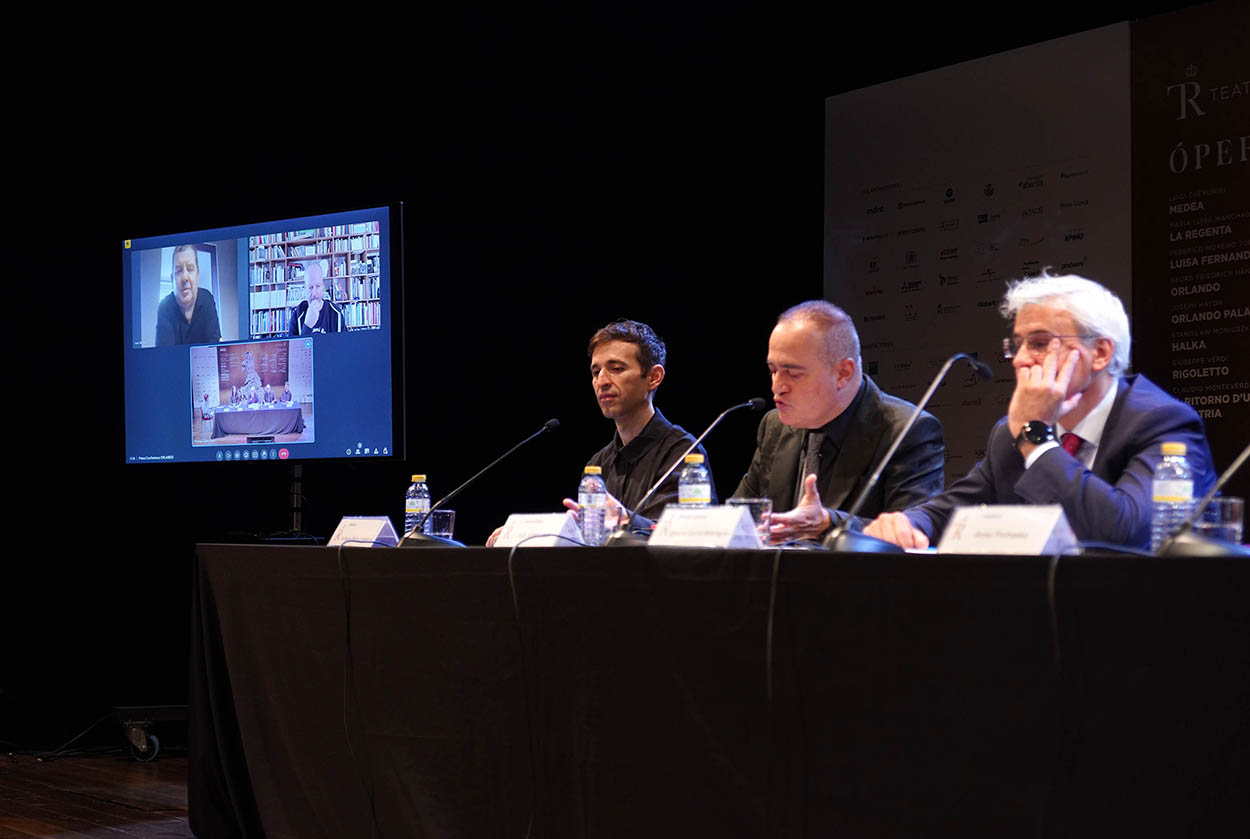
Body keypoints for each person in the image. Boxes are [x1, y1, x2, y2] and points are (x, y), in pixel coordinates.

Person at [863, 272, 1215, 550]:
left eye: (1041, 344)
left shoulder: (1162, 423)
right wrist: (909, 524)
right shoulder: (1010, 433)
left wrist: (1037, 439)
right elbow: (953, 509)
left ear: (1101, 353)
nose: (1019, 359)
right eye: (1017, 345)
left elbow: (1127, 534)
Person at [732, 300, 946, 544]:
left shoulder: (907, 430)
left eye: (793, 374)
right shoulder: (774, 426)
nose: (777, 386)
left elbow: (909, 534)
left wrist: (826, 523)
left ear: (843, 373)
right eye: (773, 370)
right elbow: (742, 516)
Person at [486, 319, 713, 545]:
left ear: (653, 377)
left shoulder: (683, 453)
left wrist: (626, 521)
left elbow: (685, 537)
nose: (602, 381)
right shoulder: (599, 464)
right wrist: (525, 535)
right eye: (596, 372)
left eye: (616, 369)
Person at [155, 244, 222, 346]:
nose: (185, 277)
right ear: (172, 278)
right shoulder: (164, 306)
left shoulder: (207, 299)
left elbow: (214, 347)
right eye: (178, 271)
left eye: (190, 269)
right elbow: (166, 355)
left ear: (197, 275)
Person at [290, 261, 343, 335]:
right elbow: (293, 346)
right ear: (305, 289)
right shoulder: (297, 314)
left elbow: (344, 345)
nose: (314, 293)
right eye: (310, 287)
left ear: (323, 287)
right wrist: (307, 325)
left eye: (318, 286)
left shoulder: (336, 313)